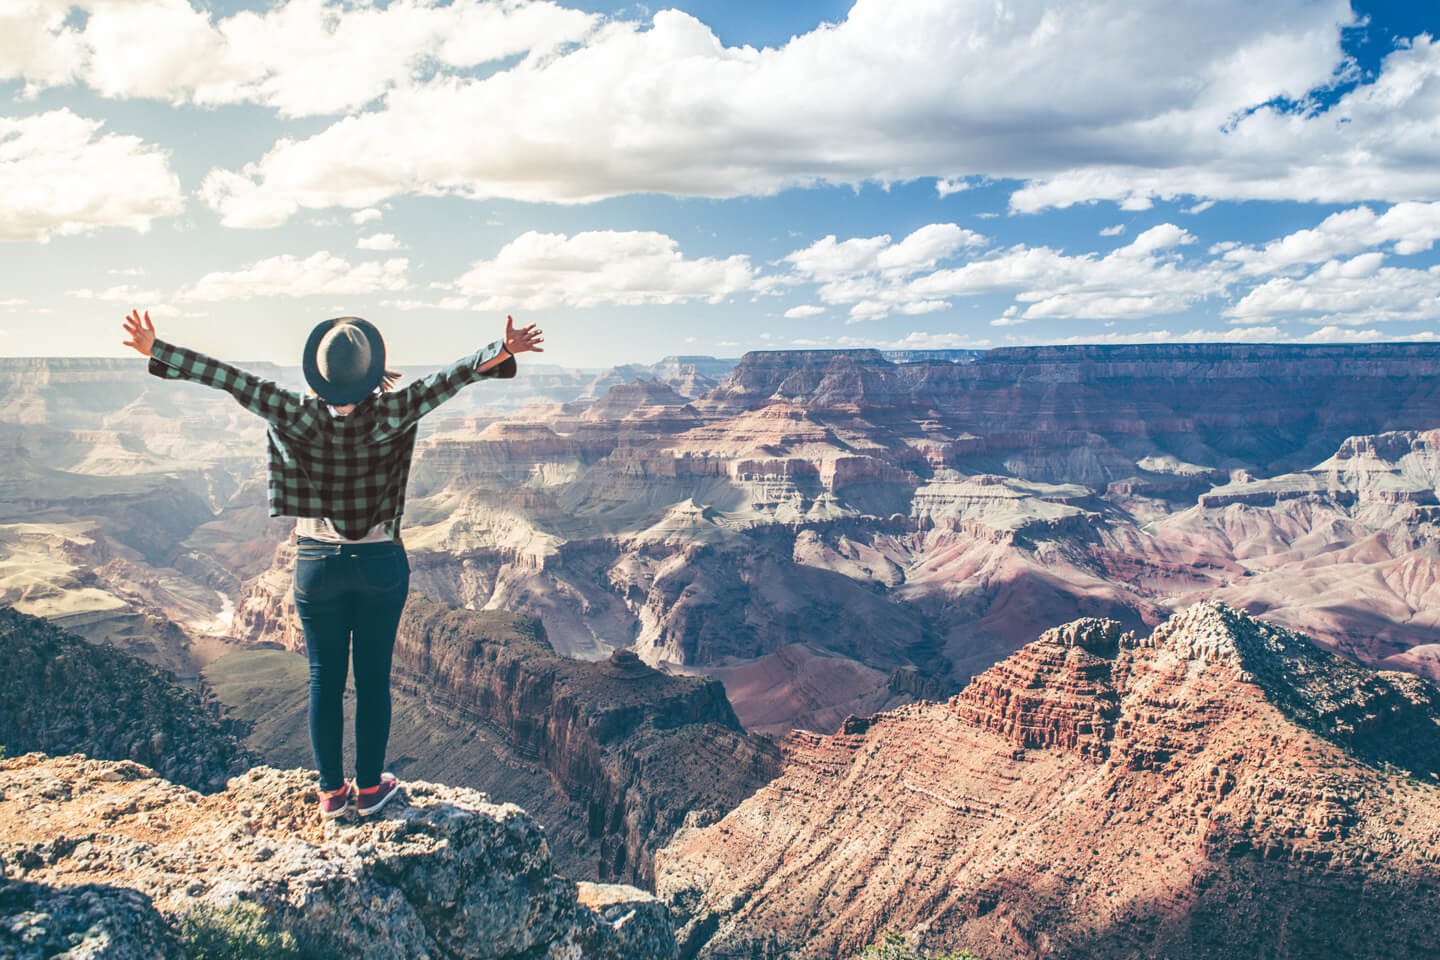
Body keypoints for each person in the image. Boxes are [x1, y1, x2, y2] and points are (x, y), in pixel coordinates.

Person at [121, 309, 544, 821]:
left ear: (318, 374)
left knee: (324, 677)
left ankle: (330, 794)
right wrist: (500, 349)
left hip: (316, 563)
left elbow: (226, 377)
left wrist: (157, 349)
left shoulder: (292, 412)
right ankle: (369, 790)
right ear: (371, 372)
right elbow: (449, 379)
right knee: (371, 679)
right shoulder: (395, 412)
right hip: (380, 564)